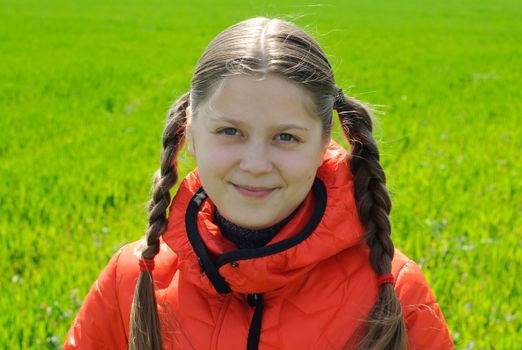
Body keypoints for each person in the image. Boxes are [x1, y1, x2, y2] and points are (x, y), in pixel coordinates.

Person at [63, 17, 454, 350]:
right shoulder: (132, 278)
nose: (254, 164)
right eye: (230, 130)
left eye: (286, 137)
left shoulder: (394, 291)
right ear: (192, 134)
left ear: (323, 144)